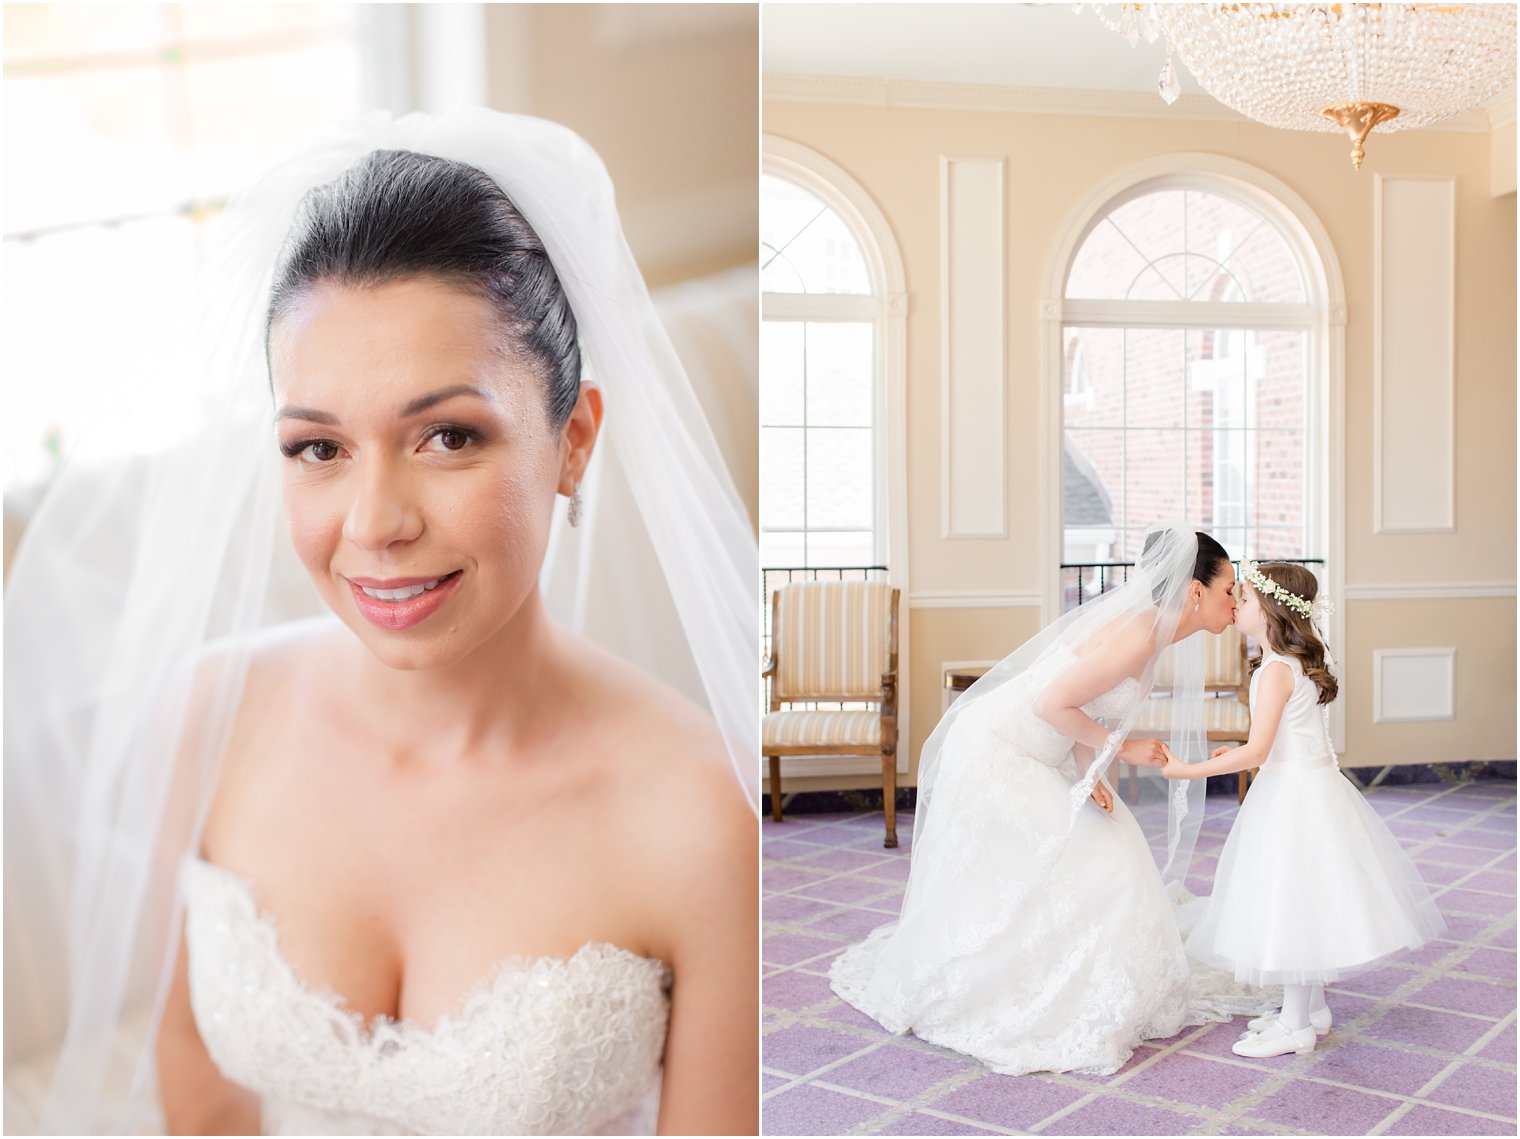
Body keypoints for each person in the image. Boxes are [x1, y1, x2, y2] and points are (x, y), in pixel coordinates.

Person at [4, 110, 758, 1136]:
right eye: (318, 448)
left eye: (446, 435)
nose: (373, 524)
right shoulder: (209, 714)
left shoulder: (700, 816)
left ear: (573, 438)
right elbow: (198, 1081)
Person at [829, 525, 1268, 1076]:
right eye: (1230, 588)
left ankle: (1090, 975)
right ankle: (1020, 986)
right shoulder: (1137, 635)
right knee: (1095, 859)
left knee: (1115, 847)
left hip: (1046, 754)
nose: (1237, 600)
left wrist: (1094, 773)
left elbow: (1091, 710)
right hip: (1002, 752)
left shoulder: (1155, 634)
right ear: (1195, 592)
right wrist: (1123, 750)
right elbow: (1050, 704)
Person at [1164, 561, 1445, 1059]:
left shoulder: (1274, 671)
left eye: (1244, 599)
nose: (1236, 605)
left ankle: (1296, 1026)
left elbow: (1258, 751)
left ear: (1270, 609)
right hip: (1313, 790)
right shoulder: (1292, 665)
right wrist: (1238, 753)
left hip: (1291, 800)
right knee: (1308, 901)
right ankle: (1310, 1008)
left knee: (1291, 905)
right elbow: (1280, 742)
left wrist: (1187, 771)